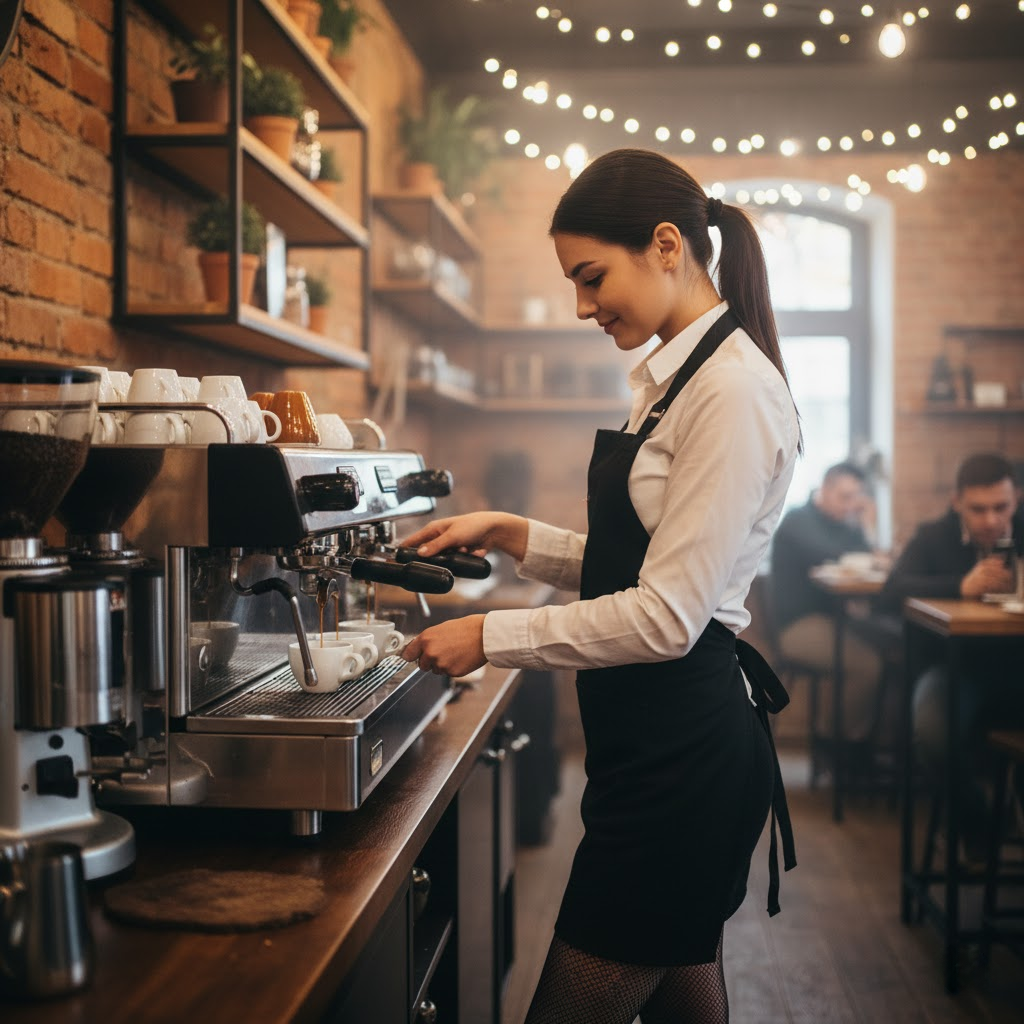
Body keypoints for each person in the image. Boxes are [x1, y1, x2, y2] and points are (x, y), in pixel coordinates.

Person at [400, 148, 800, 1024]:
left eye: (592, 277)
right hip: (652, 754)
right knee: (687, 1002)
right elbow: (643, 565)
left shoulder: (730, 393)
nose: (583, 305)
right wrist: (512, 534)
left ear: (667, 245)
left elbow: (664, 616)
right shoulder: (676, 380)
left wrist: (489, 637)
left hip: (683, 769)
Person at [881, 452, 1024, 860]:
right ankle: (979, 824)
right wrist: (959, 586)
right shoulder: (933, 536)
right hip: (955, 669)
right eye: (978, 509)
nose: (991, 520)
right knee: (932, 732)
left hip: (1017, 668)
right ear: (956, 501)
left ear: (1017, 499)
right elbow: (890, 594)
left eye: (1002, 507)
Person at [769, 462, 886, 742]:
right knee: (868, 666)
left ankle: (858, 747)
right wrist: (864, 532)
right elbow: (831, 554)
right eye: (844, 497)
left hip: (834, 621)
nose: (850, 505)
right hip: (797, 627)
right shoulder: (798, 520)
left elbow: (865, 556)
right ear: (823, 489)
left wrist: (866, 528)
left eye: (855, 498)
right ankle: (834, 741)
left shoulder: (844, 526)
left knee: (890, 648)